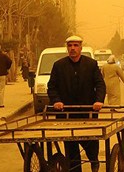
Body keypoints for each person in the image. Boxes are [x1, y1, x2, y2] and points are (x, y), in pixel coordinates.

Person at [47, 35, 106, 172]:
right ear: (67, 48)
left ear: (81, 47)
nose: (72, 48)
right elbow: (52, 87)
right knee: (71, 149)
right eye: (70, 45)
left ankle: (94, 161)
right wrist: (56, 101)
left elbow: (100, 84)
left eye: (75, 45)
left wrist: (98, 100)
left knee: (90, 142)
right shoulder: (59, 65)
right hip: (66, 114)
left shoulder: (91, 64)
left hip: (87, 113)